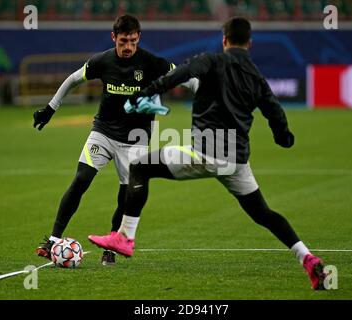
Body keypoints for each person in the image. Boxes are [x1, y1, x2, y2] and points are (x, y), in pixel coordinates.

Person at [88, 17, 327, 289]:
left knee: (140, 167)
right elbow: (274, 110)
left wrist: (149, 91)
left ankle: (125, 236)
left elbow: (180, 74)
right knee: (263, 213)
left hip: (205, 152)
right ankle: (307, 258)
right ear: (249, 43)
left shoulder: (211, 60)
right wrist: (284, 137)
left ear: (224, 39)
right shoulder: (256, 76)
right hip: (236, 161)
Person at [33, 14, 198, 265]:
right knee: (81, 179)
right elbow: (73, 80)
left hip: (135, 140)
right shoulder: (103, 61)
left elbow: (186, 78)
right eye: (123, 41)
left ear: (139, 38)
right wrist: (50, 108)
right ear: (114, 38)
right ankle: (53, 241)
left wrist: (210, 93)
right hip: (103, 132)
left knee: (126, 194)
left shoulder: (152, 62)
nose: (128, 46)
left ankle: (110, 245)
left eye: (132, 40)